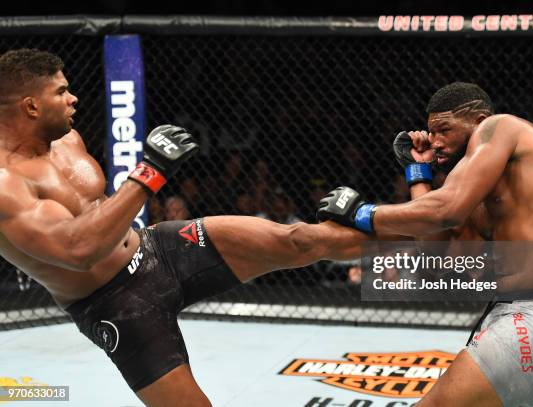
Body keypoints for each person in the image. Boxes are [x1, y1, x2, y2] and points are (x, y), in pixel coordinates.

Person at [0, 49, 368, 407]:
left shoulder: (67, 140)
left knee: (299, 239)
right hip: (115, 306)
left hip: (156, 249)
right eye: (61, 91)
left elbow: (96, 211)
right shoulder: (6, 186)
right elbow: (77, 251)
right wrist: (149, 173)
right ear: (31, 106)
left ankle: (411, 237)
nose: (74, 98)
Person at [317, 82, 533, 407]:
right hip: (524, 317)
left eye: (444, 130)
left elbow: (445, 210)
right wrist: (418, 174)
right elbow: (433, 250)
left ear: (478, 120)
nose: (434, 141)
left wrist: (363, 213)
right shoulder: (484, 199)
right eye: (431, 132)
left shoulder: (500, 126)